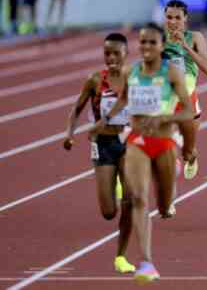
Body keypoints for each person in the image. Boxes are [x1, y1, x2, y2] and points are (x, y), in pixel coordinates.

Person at [95, 23, 196, 283]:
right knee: (138, 197)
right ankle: (146, 261)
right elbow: (123, 100)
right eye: (142, 42)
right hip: (137, 140)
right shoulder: (132, 72)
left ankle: (169, 191)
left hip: (163, 143)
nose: (146, 47)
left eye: (152, 42)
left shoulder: (172, 73)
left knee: (162, 206)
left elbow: (188, 111)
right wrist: (105, 119)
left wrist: (164, 117)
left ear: (162, 46)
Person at [63, 33, 135, 274]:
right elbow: (77, 108)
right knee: (108, 213)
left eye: (116, 53)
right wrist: (69, 134)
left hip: (128, 140)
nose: (111, 58)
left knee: (130, 200)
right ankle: (115, 185)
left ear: (126, 53)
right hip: (103, 144)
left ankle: (121, 255)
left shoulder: (134, 78)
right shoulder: (95, 80)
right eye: (107, 53)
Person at [162, 0, 207, 181]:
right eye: (169, 17)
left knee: (188, 151)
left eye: (177, 17)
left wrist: (185, 46)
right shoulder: (158, 38)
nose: (173, 22)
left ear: (185, 18)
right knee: (166, 148)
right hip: (166, 95)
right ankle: (169, 203)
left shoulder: (195, 37)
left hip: (188, 98)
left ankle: (191, 157)